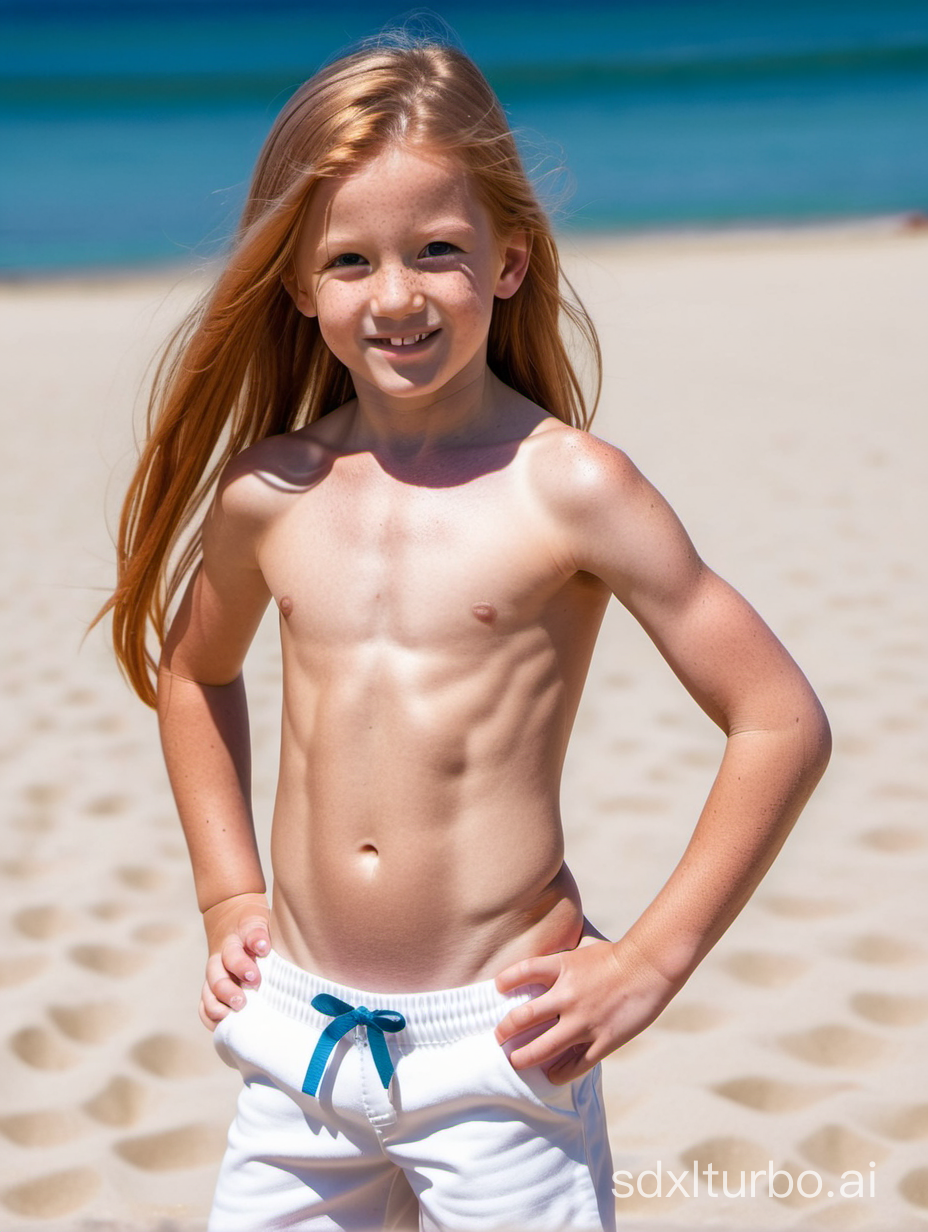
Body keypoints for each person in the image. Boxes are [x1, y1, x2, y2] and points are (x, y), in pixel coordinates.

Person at [99, 34, 831, 1232]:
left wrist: (648, 958)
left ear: (508, 260)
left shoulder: (573, 488)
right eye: (349, 260)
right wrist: (229, 894)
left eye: (437, 250)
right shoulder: (266, 494)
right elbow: (193, 672)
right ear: (297, 285)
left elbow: (778, 717)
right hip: (296, 1038)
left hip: (500, 1040)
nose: (394, 294)